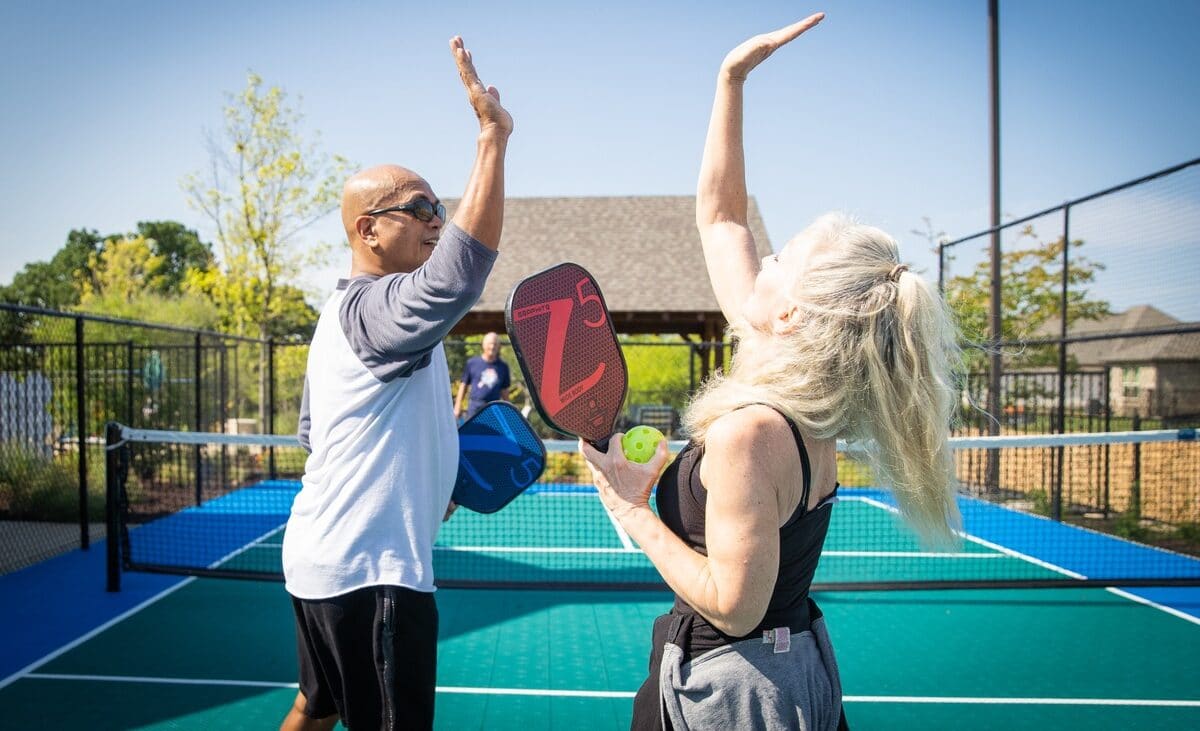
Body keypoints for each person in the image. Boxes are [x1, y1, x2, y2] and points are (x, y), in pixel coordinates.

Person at [580, 13, 962, 731]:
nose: (765, 257)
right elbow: (720, 217)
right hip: (785, 673)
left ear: (790, 314)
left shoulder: (751, 432)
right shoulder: (803, 407)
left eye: (782, 257)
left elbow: (733, 602)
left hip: (734, 694)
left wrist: (634, 512)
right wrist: (730, 79)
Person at [279, 36, 512, 731]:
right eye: (420, 206)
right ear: (369, 229)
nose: (437, 217)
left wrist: (425, 484)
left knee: (314, 708)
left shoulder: (336, 315)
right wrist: (491, 140)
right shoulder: (378, 308)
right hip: (372, 574)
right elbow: (459, 275)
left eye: (437, 202)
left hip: (321, 561)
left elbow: (316, 434)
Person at [453, 331, 511, 421]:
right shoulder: (472, 363)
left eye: (495, 344)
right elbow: (463, 386)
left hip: (494, 410)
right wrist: (457, 407)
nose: (492, 347)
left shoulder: (503, 367)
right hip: (474, 408)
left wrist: (508, 412)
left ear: (499, 347)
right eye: (490, 344)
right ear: (484, 345)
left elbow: (504, 391)